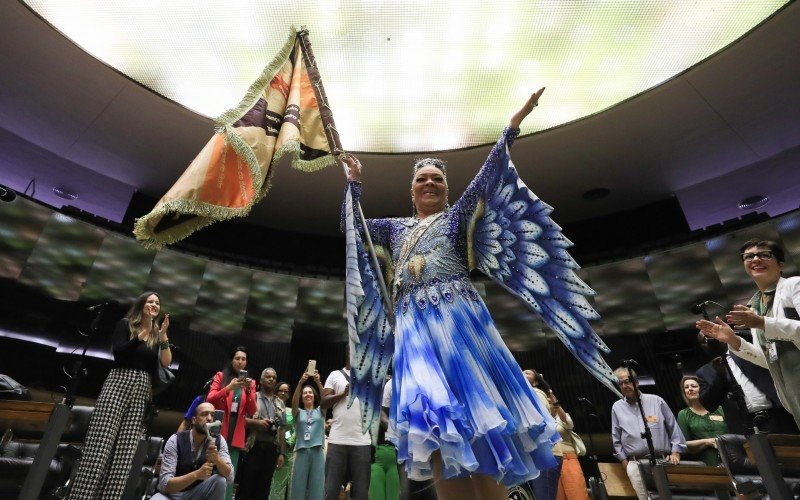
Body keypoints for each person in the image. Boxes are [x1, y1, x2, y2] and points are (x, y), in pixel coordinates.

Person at [343, 88, 571, 499]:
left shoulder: (456, 218)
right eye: (421, 179)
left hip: (461, 324)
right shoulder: (392, 229)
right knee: (434, 427)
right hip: (414, 330)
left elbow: (489, 174)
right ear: (411, 191)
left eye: (437, 179)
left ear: (447, 190)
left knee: (479, 424)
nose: (430, 183)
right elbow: (353, 228)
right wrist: (355, 184)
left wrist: (512, 126)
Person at [67, 292, 171, 499]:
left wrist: (163, 335)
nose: (154, 305)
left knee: (124, 454)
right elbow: (119, 354)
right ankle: (82, 496)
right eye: (150, 301)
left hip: (142, 388)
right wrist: (143, 334)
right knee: (100, 444)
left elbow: (166, 364)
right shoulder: (126, 324)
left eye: (157, 303)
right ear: (141, 305)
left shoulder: (157, 333)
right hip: (119, 382)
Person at [697, 238, 800, 429]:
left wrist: (762, 322)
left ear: (780, 264)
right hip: (792, 398)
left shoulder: (794, 285)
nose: (755, 259)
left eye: (764, 254)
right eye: (749, 256)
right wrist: (734, 341)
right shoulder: (754, 308)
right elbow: (768, 359)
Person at [695, 332, 798, 435]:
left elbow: (762, 337)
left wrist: (734, 334)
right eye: (703, 341)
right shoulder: (705, 372)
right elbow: (709, 405)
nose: (709, 342)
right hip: (745, 425)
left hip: (778, 415)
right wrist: (719, 376)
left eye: (711, 336)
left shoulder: (746, 351)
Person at [611, 367, 686, 500]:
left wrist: (676, 452)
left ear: (636, 382)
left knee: (670, 497)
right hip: (635, 464)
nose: (624, 386)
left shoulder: (657, 400)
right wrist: (625, 462)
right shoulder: (617, 407)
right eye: (620, 383)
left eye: (627, 381)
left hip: (662, 460)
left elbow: (673, 427)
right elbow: (616, 438)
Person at [152, 402, 233, 499]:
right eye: (204, 414)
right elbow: (165, 484)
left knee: (220, 481)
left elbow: (230, 477)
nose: (209, 418)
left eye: (212, 415)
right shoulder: (176, 440)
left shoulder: (219, 440)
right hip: (170, 495)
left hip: (196, 494)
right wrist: (197, 474)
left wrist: (217, 459)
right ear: (194, 420)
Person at [206, 346, 256, 500]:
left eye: (243, 359)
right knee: (210, 471)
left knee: (228, 475)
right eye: (237, 358)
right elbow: (210, 398)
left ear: (246, 363)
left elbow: (252, 410)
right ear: (232, 360)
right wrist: (228, 388)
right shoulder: (221, 376)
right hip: (218, 431)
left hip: (236, 435)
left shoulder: (251, 383)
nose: (240, 362)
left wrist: (248, 391)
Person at [322, 353, 372, 500]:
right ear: (348, 354)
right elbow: (323, 403)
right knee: (331, 491)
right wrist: (343, 394)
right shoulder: (335, 375)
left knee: (361, 493)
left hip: (362, 441)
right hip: (338, 439)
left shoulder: (369, 377)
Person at [238, 367, 285, 500]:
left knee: (263, 491)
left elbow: (282, 429)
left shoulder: (280, 402)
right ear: (261, 380)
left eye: (274, 377)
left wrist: (281, 453)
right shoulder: (252, 397)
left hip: (271, 451)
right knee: (246, 488)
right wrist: (256, 423)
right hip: (253, 448)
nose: (271, 379)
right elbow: (240, 420)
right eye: (268, 376)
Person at [523, 369, 559, 500]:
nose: (522, 373)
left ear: (536, 381)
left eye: (527, 373)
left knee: (544, 496)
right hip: (538, 452)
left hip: (545, 452)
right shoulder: (523, 396)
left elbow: (538, 421)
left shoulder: (537, 394)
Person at [676, 376, 727, 466]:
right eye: (686, 387)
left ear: (702, 389)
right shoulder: (683, 414)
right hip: (706, 463)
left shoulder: (719, 409)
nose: (690, 389)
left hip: (730, 457)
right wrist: (707, 442)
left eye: (694, 386)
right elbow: (683, 445)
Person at [291, 370, 326, 500]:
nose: (307, 394)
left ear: (314, 396)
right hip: (301, 451)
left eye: (310, 392)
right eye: (305, 393)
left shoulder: (320, 411)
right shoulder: (298, 412)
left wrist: (318, 382)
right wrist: (301, 382)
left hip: (317, 451)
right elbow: (293, 402)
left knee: (317, 488)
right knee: (297, 488)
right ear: (301, 397)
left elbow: (325, 399)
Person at [370, 376, 400, 500]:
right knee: (376, 495)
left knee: (394, 496)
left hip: (396, 458)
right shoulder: (375, 407)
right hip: (377, 457)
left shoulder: (398, 408)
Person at [269, 381, 295, 500]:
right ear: (276, 392)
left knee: (280, 484)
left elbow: (294, 430)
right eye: (281, 390)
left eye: (286, 391)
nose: (283, 393)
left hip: (286, 452)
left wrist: (286, 439)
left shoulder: (291, 411)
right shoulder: (269, 406)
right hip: (268, 447)